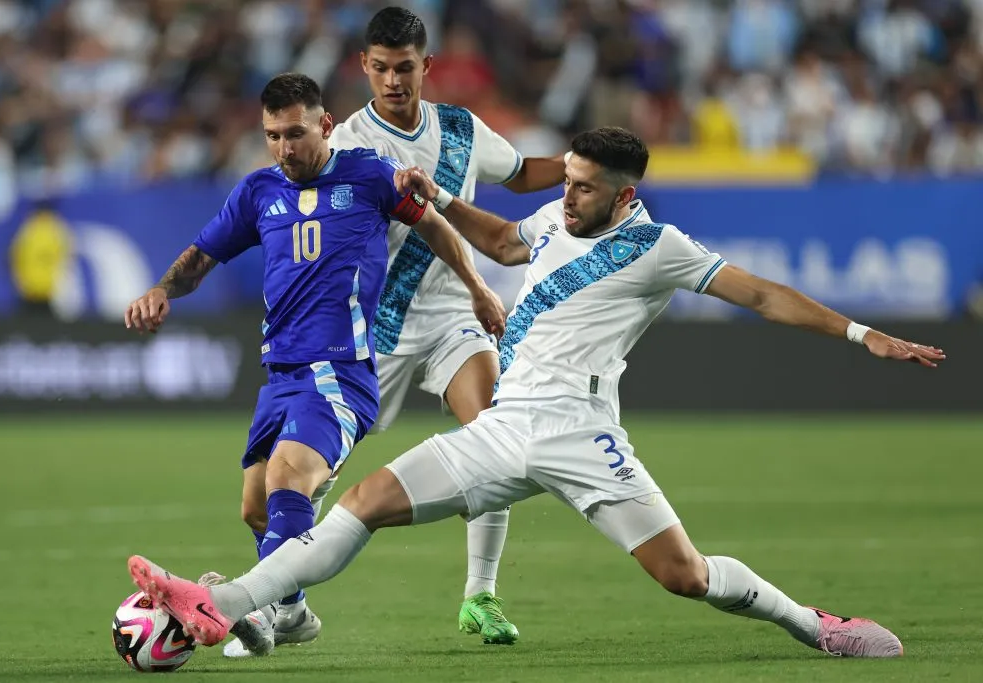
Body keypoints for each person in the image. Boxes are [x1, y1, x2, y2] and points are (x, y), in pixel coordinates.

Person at [126, 127, 944, 658]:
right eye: (569, 179)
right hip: (505, 422)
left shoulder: (659, 246)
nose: (567, 194)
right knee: (368, 497)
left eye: (585, 187)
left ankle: (814, 624)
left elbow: (763, 294)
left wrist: (858, 333)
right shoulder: (558, 220)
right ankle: (223, 601)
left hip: (582, 433)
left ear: (624, 195)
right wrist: (441, 198)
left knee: (685, 575)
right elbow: (508, 240)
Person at [223, 7, 568, 656]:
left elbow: (520, 173)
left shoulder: (462, 131)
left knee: (493, 429)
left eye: (404, 67)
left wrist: (579, 166)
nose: (392, 80)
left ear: (425, 66)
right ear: (364, 68)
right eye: (380, 68)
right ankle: (284, 597)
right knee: (297, 481)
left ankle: (481, 591)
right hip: (370, 330)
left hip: (451, 323)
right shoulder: (347, 142)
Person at [123, 72, 505, 656]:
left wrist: (477, 288)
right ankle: (295, 611)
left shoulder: (370, 176)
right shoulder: (257, 192)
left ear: (325, 126)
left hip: (340, 373)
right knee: (256, 508)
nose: (284, 148)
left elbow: (432, 224)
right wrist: (161, 291)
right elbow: (201, 258)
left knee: (287, 479)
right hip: (280, 377)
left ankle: (251, 609)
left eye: (295, 134)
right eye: (273, 135)